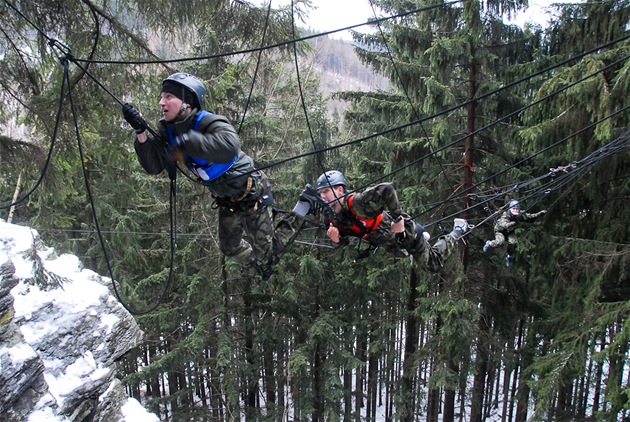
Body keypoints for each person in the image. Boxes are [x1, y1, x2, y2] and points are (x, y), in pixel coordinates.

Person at [122, 72, 332, 280]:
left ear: (187, 102)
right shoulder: (167, 131)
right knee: (230, 248)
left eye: (169, 97)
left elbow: (229, 147)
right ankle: (260, 264)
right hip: (227, 200)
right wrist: (141, 133)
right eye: (162, 97)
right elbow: (154, 166)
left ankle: (304, 204)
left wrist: (188, 140)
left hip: (252, 194)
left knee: (270, 254)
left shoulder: (208, 122)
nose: (161, 102)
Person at [316, 170, 468, 273]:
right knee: (409, 255)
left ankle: (457, 230)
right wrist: (335, 240)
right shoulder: (331, 218)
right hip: (391, 244)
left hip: (405, 234)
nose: (323, 197)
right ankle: (423, 240)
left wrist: (398, 218)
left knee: (432, 265)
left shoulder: (358, 203)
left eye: (326, 191)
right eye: (320, 193)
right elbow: (342, 243)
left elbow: (387, 189)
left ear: (340, 190)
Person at [482, 199, 547, 266]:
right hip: (501, 231)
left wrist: (539, 214)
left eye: (517, 209)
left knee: (513, 242)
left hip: (510, 232)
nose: (515, 210)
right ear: (510, 209)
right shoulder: (506, 215)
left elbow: (530, 217)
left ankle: (509, 256)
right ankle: (489, 243)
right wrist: (509, 224)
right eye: (513, 209)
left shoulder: (520, 215)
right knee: (500, 241)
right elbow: (503, 224)